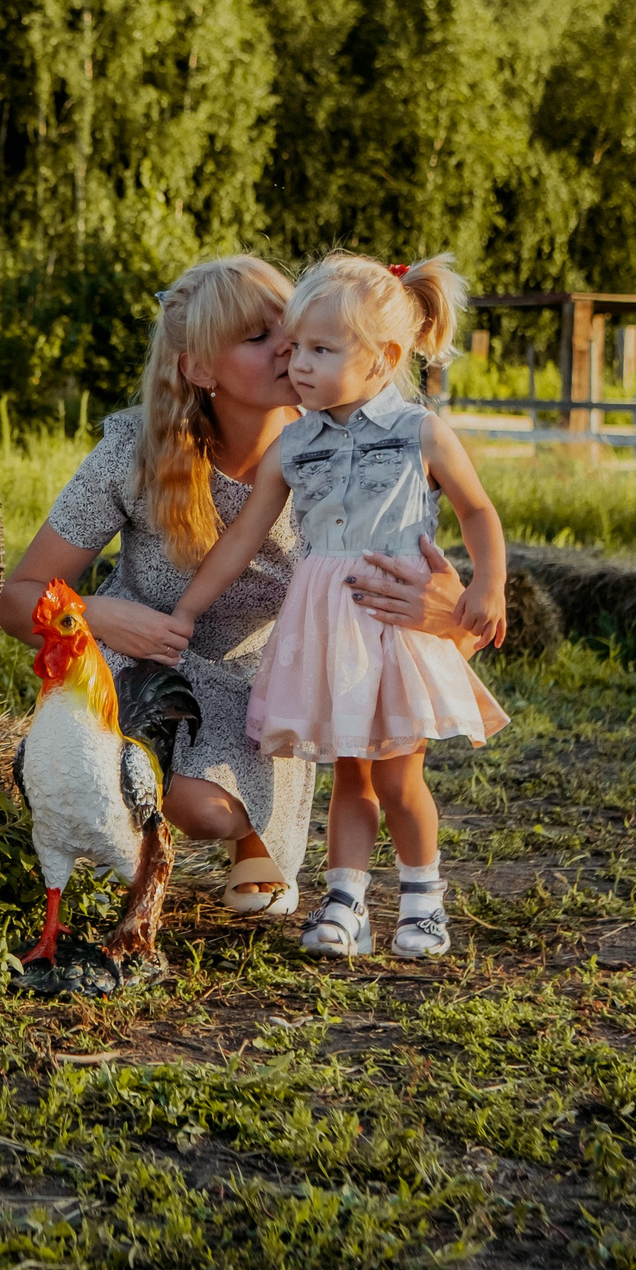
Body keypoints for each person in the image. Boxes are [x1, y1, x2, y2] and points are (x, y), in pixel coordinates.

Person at [0, 254, 473, 918]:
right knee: (115, 764)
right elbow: (16, 597)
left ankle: (235, 831)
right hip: (135, 659)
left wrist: (446, 613)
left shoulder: (336, 455)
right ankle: (109, 809)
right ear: (200, 368)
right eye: (258, 337)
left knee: (211, 810)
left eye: (294, 327)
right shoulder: (132, 449)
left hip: (260, 679)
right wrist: (98, 615)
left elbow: (448, 606)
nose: (289, 347)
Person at [169, 253, 509, 961]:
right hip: (328, 632)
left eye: (321, 350)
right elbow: (241, 539)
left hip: (393, 626)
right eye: (295, 347)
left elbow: (478, 509)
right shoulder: (294, 444)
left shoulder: (419, 432)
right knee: (350, 776)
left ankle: (422, 902)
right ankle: (346, 902)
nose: (298, 364)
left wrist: (488, 586)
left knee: (399, 775)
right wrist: (186, 611)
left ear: (384, 357)